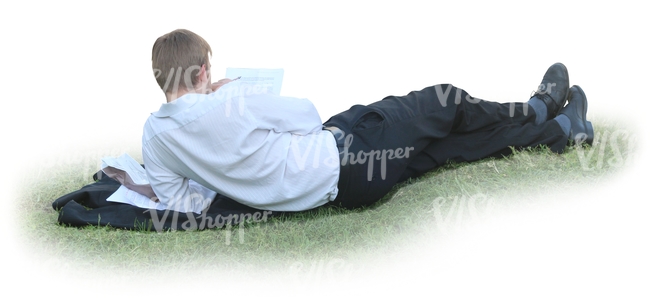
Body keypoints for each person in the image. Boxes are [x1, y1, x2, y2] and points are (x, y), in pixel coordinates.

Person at [142, 29, 594, 214]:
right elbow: (305, 115)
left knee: (444, 149)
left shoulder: (155, 136)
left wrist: (244, 177)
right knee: (445, 101)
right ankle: (537, 109)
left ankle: (559, 132)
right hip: (344, 154)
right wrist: (236, 94)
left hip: (342, 187)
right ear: (202, 72)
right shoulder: (228, 101)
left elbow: (181, 199)